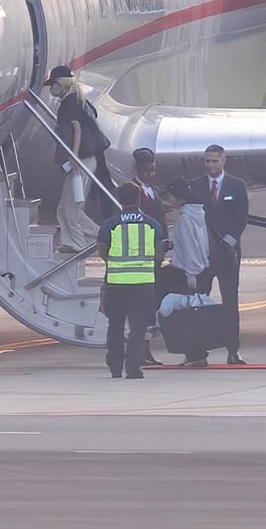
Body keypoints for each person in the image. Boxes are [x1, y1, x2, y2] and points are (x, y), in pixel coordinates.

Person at [96, 181, 166, 379]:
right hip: (143, 282)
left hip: (116, 282)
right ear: (139, 198)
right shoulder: (152, 224)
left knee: (115, 325)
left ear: (119, 198)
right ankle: (133, 368)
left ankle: (115, 367)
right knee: (138, 327)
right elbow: (159, 254)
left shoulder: (109, 224)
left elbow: (102, 251)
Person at [188, 144, 248, 365]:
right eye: (207, 161)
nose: (210, 165)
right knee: (198, 302)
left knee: (230, 302)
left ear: (224, 161)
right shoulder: (194, 187)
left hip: (227, 254)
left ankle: (233, 350)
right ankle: (198, 353)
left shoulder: (236, 186)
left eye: (214, 160)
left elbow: (241, 217)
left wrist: (228, 243)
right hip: (202, 255)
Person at [46, 65, 112, 253]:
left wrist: (73, 155)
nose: (52, 89)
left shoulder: (70, 102)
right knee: (65, 207)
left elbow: (77, 128)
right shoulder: (79, 100)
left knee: (71, 207)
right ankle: (95, 235)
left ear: (61, 84)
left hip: (81, 160)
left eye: (53, 84)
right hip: (86, 160)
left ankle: (77, 244)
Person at [162, 176, 214, 366]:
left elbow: (191, 248)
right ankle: (198, 354)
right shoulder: (198, 215)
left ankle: (194, 354)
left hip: (187, 272)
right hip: (202, 269)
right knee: (195, 313)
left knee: (185, 315)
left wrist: (190, 275)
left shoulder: (185, 220)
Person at [131, 148, 169, 366]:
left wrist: (163, 245)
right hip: (138, 256)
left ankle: (145, 349)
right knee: (140, 307)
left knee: (150, 306)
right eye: (147, 171)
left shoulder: (154, 190)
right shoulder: (130, 190)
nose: (150, 175)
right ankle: (139, 350)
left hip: (153, 255)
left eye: (153, 170)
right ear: (138, 169)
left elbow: (160, 220)